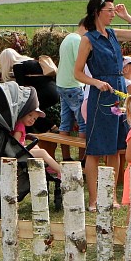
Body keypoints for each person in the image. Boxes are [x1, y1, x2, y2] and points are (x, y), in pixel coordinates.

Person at [73, 0, 131, 211]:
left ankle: (111, 197)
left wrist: (127, 16)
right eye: (110, 11)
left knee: (116, 148)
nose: (112, 15)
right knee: (96, 149)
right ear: (97, 12)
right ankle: (94, 200)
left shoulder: (114, 34)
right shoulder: (88, 39)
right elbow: (77, 73)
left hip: (118, 93)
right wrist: (95, 82)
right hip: (101, 95)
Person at [12, 87, 63, 175]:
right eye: (30, 115)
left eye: (35, 119)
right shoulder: (19, 126)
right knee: (42, 152)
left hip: (19, 150)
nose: (32, 119)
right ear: (23, 112)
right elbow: (15, 144)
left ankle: (46, 166)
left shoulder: (19, 124)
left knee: (36, 147)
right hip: (17, 153)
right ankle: (60, 171)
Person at [55, 23, 88, 159]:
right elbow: (80, 62)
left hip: (62, 83)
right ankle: (82, 159)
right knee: (84, 122)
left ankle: (66, 157)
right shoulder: (77, 40)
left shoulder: (68, 38)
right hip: (73, 84)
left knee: (65, 122)